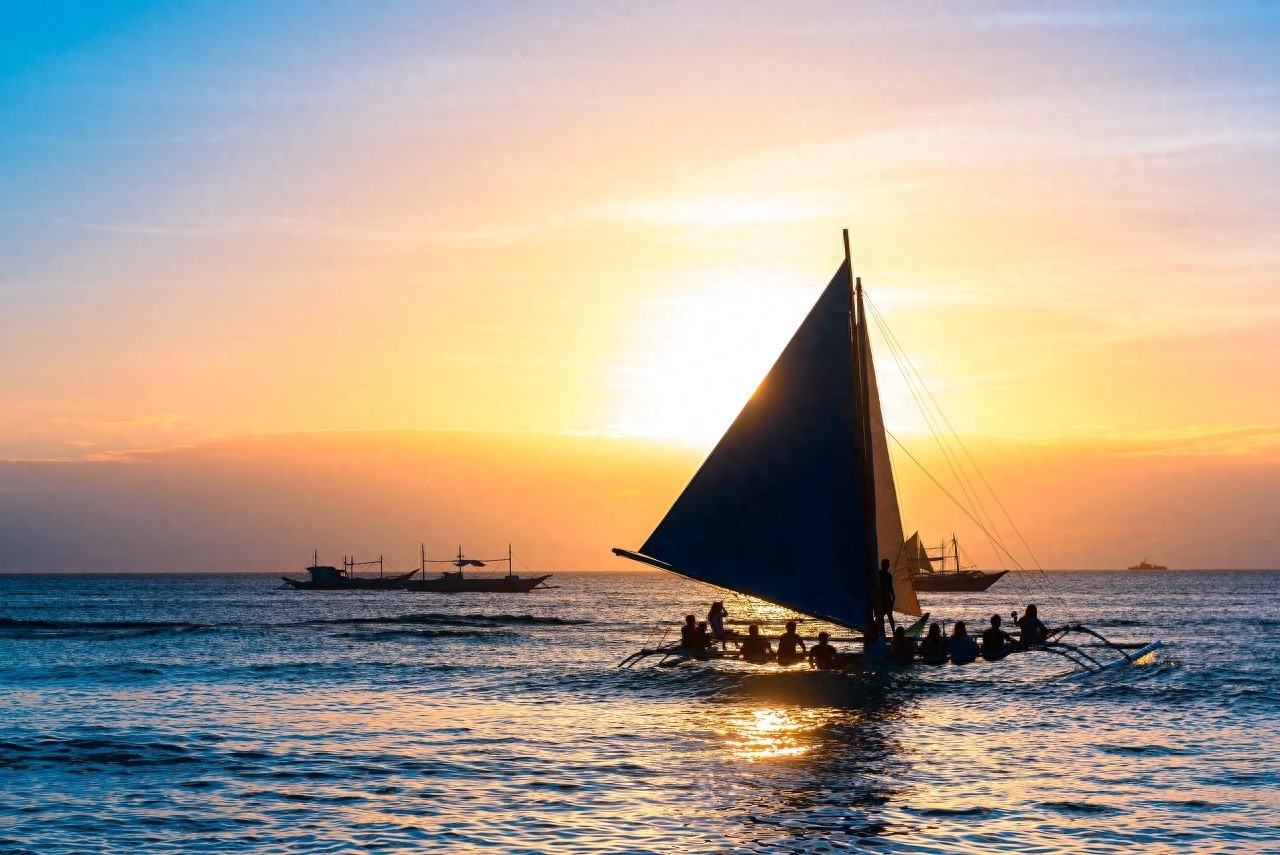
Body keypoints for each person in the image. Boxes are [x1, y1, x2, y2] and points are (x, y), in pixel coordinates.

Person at [876, 558, 897, 631]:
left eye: (888, 564)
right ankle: (882, 632)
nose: (887, 566)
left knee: (890, 616)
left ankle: (894, 632)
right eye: (886, 564)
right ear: (882, 565)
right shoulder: (878, 574)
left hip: (887, 598)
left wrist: (893, 596)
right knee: (880, 616)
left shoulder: (889, 575)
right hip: (880, 598)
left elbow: (890, 586)